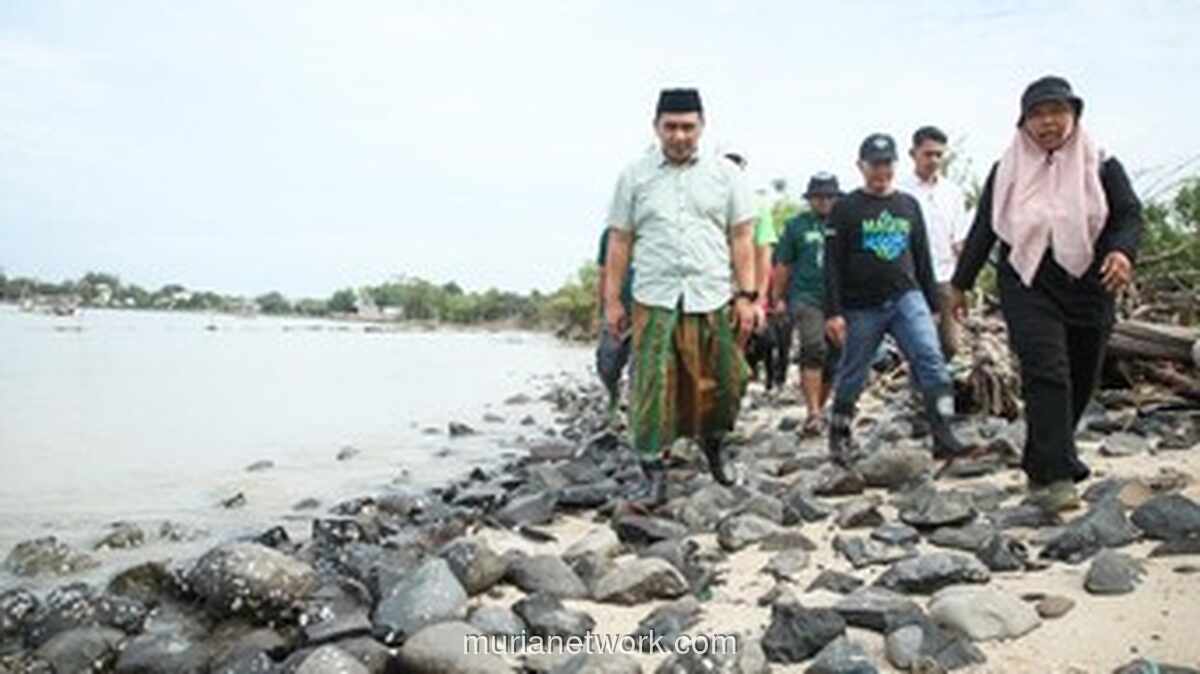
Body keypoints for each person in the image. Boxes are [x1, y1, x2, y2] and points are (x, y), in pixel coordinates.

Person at [948, 76, 1142, 512]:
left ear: (1074, 115)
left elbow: (1128, 215)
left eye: (1057, 111)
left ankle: (1040, 459)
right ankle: (1058, 476)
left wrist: (1121, 253)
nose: (1048, 122)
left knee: (1080, 376)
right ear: (1024, 122)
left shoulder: (1101, 162)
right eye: (1037, 114)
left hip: (1091, 278)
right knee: (1046, 370)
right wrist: (960, 285)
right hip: (1028, 276)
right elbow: (984, 229)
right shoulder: (1007, 168)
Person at [604, 88, 758, 506]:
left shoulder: (726, 176)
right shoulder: (634, 175)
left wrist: (748, 296)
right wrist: (612, 301)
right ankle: (652, 470)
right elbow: (620, 240)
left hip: (710, 294)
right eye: (670, 127)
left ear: (702, 127)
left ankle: (714, 445)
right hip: (654, 296)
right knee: (652, 384)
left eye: (688, 126)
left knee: (726, 380)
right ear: (656, 128)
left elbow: (742, 237)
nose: (679, 135)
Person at [824, 133, 970, 465]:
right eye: (874, 165)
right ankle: (839, 434)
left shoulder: (907, 204)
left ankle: (944, 432)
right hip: (861, 305)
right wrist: (833, 312)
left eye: (887, 164)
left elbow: (922, 257)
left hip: (907, 297)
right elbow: (831, 264)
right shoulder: (845, 208)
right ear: (861, 166)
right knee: (853, 371)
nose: (881, 172)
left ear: (895, 164)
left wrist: (933, 306)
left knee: (932, 361)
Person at [773, 172, 842, 434]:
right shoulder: (796, 226)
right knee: (813, 347)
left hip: (839, 299)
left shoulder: (845, 222)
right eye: (818, 196)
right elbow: (783, 264)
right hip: (806, 295)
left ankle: (820, 410)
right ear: (810, 199)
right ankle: (813, 411)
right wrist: (777, 299)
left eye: (829, 196)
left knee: (835, 356)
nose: (824, 201)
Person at [900, 126, 971, 360]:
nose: (934, 160)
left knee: (950, 344)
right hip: (911, 280)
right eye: (928, 154)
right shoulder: (901, 193)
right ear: (913, 154)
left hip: (944, 278)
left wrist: (964, 284)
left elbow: (959, 241)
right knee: (920, 343)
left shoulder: (953, 193)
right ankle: (923, 394)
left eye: (939, 155)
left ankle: (937, 388)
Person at [595, 227, 635, 416]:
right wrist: (602, 310)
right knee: (607, 365)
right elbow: (603, 274)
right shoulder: (611, 234)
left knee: (642, 371)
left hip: (650, 312)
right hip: (617, 310)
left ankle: (639, 420)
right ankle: (613, 395)